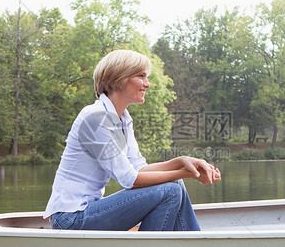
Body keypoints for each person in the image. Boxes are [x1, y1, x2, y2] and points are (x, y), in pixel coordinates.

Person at [44, 49, 221, 231]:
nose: (147, 84)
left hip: (86, 211)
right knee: (170, 190)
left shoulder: (123, 119)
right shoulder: (95, 119)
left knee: (175, 184)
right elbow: (129, 179)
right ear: (119, 78)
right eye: (141, 76)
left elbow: (139, 168)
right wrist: (187, 173)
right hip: (70, 218)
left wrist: (181, 162)